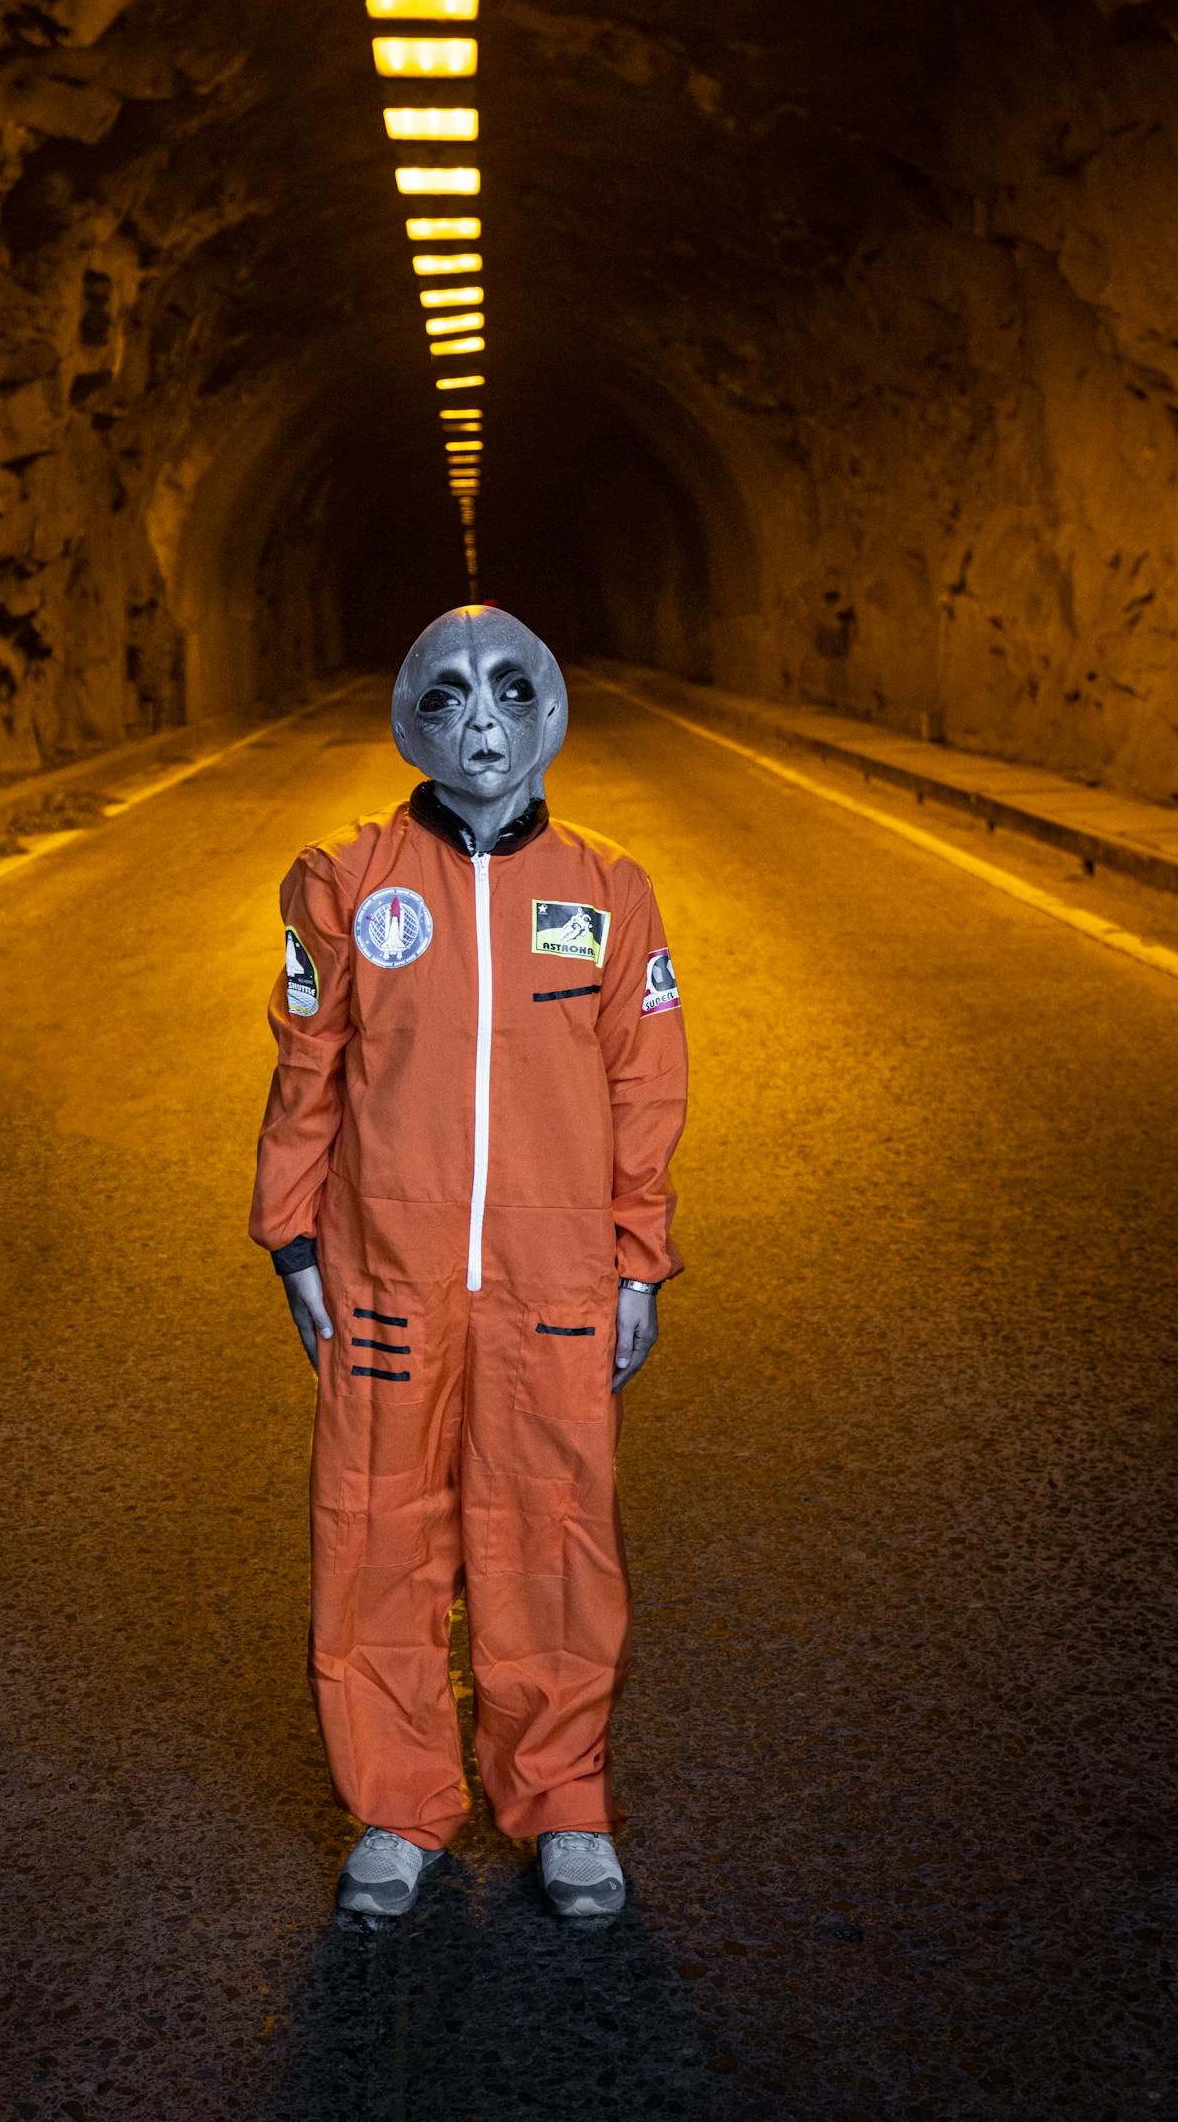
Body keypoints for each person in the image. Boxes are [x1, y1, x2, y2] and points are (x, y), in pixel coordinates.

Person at [249, 606, 688, 1920]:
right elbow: (307, 1071)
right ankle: (398, 1803)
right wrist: (290, 1239)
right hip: (388, 1270)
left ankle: (562, 1806)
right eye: (448, 697)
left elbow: (646, 1085)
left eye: (510, 693)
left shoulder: (610, 891)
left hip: (554, 1287)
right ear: (409, 718)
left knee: (551, 1541)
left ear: (549, 711)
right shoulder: (345, 879)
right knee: (379, 1533)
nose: (482, 722)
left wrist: (636, 1261)